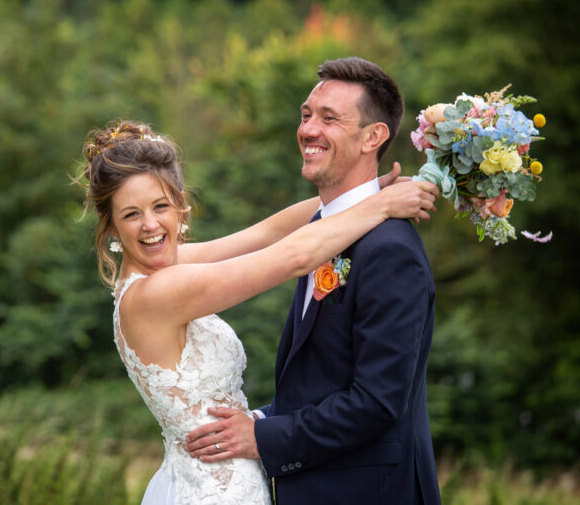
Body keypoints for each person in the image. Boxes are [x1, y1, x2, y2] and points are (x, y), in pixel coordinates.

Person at [80, 117, 438, 504]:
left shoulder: (162, 265)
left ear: (180, 207)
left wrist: (364, 193)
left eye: (160, 206)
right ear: (111, 226)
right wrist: (382, 206)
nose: (150, 225)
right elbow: (293, 257)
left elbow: (265, 234)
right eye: (131, 214)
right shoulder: (159, 291)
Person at [184, 57, 442, 504]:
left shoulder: (391, 250)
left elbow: (378, 403)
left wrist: (263, 438)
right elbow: (323, 379)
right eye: (306, 115)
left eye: (329, 118)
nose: (308, 130)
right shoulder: (326, 229)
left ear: (373, 137)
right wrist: (261, 418)